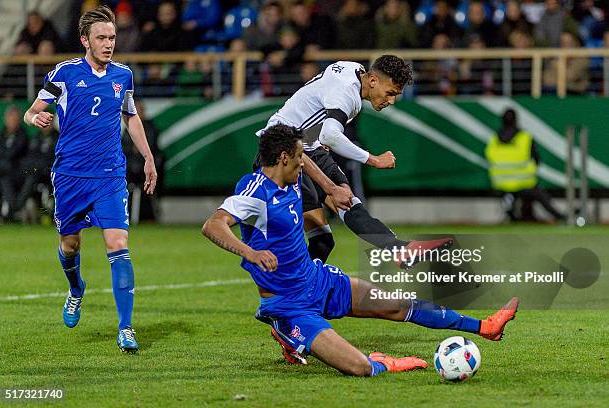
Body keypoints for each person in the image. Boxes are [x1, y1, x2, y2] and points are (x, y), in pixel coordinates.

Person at [202, 124, 519, 376]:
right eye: (299, 156)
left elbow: (309, 161)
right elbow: (213, 225)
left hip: (320, 281)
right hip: (289, 306)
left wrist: (330, 188)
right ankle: (378, 361)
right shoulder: (255, 190)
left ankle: (485, 327)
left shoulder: (293, 176)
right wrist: (250, 252)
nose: (303, 161)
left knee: (398, 305)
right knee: (359, 367)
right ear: (284, 157)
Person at [23, 5, 157, 353]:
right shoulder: (65, 73)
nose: (109, 43)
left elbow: (132, 118)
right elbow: (32, 110)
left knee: (118, 244)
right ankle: (76, 289)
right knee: (70, 245)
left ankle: (126, 328)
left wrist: (148, 158)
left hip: (110, 175)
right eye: (101, 38)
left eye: (112, 37)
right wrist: (34, 118)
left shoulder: (123, 75)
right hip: (69, 176)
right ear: (85, 40)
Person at [255, 55, 452, 268]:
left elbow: (323, 120)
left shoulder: (355, 72)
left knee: (337, 215)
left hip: (307, 147)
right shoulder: (348, 93)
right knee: (319, 237)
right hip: (280, 152)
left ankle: (399, 250)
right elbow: (331, 135)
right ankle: (289, 289)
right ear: (373, 81)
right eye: (390, 93)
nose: (392, 101)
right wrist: (373, 159)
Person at [485, 108, 564, 222]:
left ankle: (514, 213)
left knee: (511, 195)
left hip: (500, 183)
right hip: (524, 183)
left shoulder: (493, 138)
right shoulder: (524, 137)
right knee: (538, 193)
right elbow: (536, 159)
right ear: (516, 120)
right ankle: (559, 217)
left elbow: (488, 157)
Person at [0, 105, 29, 221]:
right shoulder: (1, 135)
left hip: (16, 173)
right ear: (5, 119)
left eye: (15, 118)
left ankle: (14, 209)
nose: (12, 121)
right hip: (2, 170)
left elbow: (14, 153)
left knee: (3, 178)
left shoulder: (22, 136)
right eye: (10, 118)